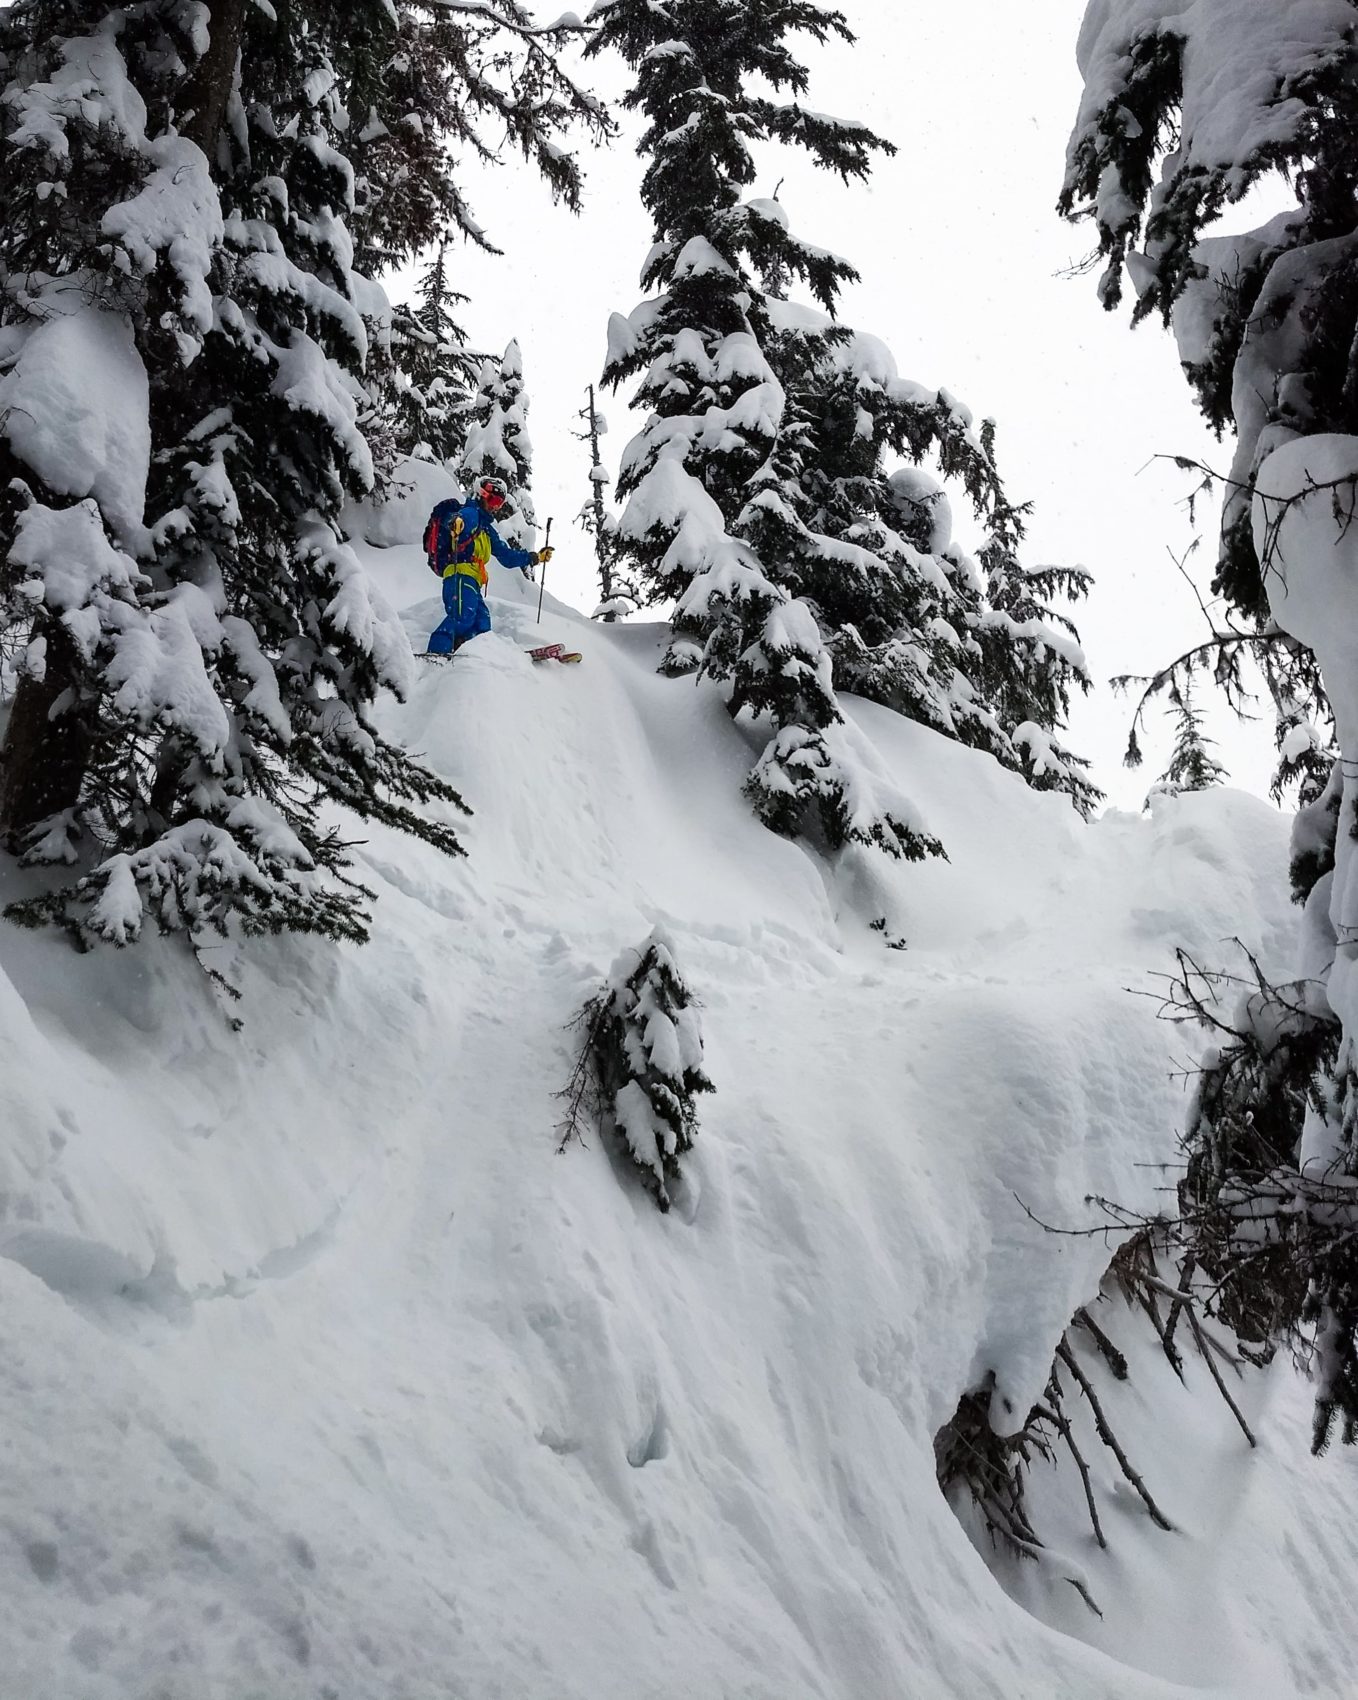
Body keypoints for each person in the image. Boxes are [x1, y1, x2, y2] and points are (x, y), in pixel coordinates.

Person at [426, 476, 555, 656]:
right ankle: (436, 653)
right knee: (462, 617)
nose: (495, 507)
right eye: (493, 500)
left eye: (499, 503)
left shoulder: (486, 528)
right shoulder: (471, 513)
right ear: (481, 494)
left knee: (482, 623)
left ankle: (470, 656)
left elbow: (507, 557)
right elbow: (457, 519)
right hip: (459, 575)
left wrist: (534, 558)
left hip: (472, 581)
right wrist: (456, 522)